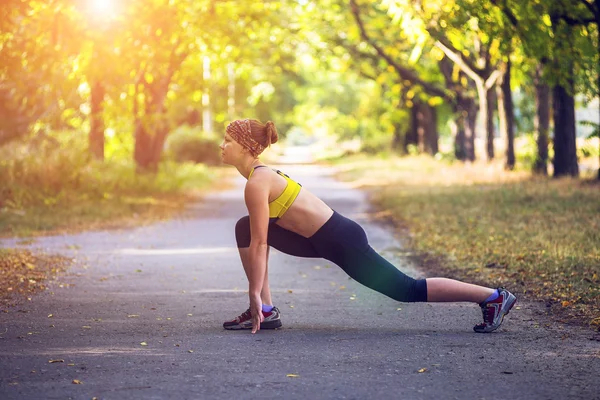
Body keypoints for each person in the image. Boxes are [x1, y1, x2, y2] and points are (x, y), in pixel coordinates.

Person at [219, 118, 517, 334]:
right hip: (315, 240)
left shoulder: (258, 182)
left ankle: (492, 296)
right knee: (244, 226)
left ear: (246, 146)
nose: (222, 146)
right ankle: (267, 313)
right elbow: (258, 237)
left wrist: (253, 293)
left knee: (405, 289)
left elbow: (260, 243)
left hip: (341, 239)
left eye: (228, 141)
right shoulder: (258, 178)